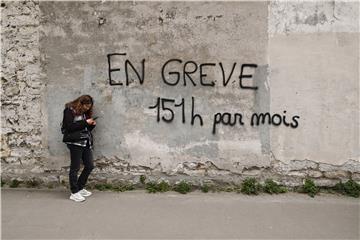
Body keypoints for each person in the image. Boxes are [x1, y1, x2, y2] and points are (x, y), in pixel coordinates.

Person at [62, 94, 97, 202]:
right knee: (75, 168)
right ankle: (74, 192)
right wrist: (85, 122)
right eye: (86, 106)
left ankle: (80, 187)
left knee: (90, 165)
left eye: (89, 107)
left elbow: (85, 128)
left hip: (85, 141)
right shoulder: (69, 110)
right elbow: (69, 127)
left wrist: (91, 124)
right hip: (74, 142)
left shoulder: (85, 113)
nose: (87, 109)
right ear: (80, 103)